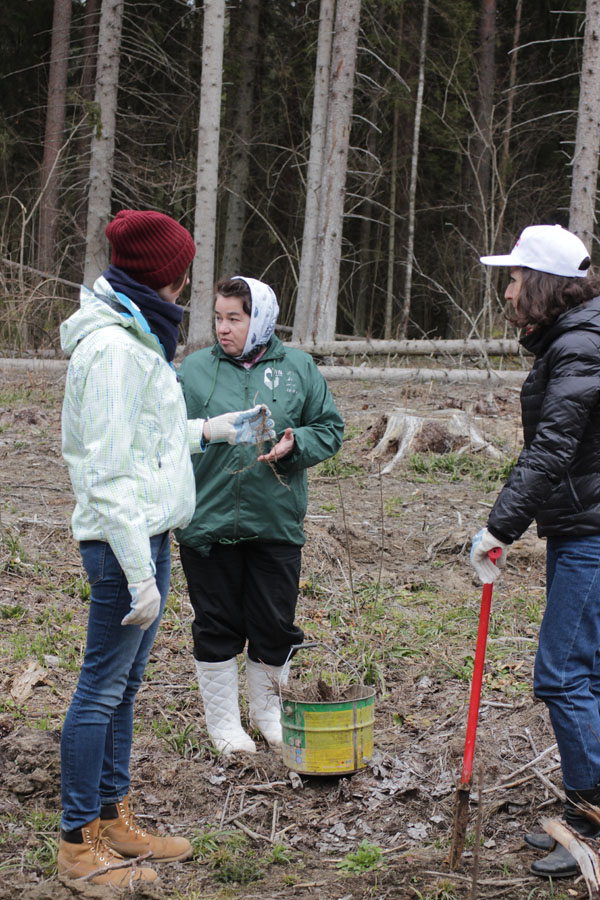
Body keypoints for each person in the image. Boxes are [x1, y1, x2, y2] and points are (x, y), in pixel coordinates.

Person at [57, 211, 275, 886]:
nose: (187, 283)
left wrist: (210, 430)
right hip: (125, 545)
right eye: (182, 270)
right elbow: (110, 473)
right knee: (99, 691)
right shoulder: (116, 350)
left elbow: (146, 442)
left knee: (122, 688)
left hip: (145, 535)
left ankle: (112, 817)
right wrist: (137, 573)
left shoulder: (134, 334)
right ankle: (76, 845)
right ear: (165, 275)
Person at [470, 224, 600, 879]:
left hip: (591, 536)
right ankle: (586, 811)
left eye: (517, 277)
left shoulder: (579, 347)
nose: (508, 289)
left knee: (562, 676)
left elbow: (551, 449)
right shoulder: (574, 340)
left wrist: (499, 529)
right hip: (581, 526)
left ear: (546, 284)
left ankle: (595, 828)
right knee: (589, 675)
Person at [175, 276, 344, 755]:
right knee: (217, 624)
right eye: (218, 317)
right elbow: (164, 432)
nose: (223, 329)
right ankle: (225, 725)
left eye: (235, 318)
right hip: (208, 523)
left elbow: (329, 428)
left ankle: (268, 713)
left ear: (261, 319)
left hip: (275, 522)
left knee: (274, 623)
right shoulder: (194, 371)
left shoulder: (297, 368)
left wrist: (298, 443)